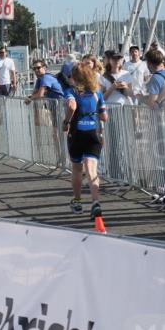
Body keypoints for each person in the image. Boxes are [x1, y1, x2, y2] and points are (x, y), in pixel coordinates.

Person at [62, 59, 108, 219]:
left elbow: (72, 106)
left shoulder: (71, 91)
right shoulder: (97, 93)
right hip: (93, 133)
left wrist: (66, 121)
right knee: (91, 168)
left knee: (77, 168)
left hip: (77, 133)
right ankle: (95, 201)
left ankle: (77, 201)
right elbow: (104, 117)